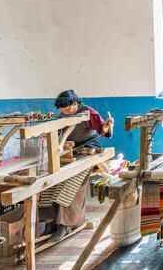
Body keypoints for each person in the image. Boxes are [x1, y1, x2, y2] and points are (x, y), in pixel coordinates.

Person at [43, 89, 113, 241]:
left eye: (68, 109)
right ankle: (51, 222)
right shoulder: (62, 115)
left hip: (88, 148)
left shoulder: (89, 113)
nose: (66, 112)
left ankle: (65, 225)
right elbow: (58, 132)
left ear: (75, 103)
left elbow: (104, 130)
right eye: (63, 110)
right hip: (69, 150)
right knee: (50, 180)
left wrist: (107, 127)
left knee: (72, 180)